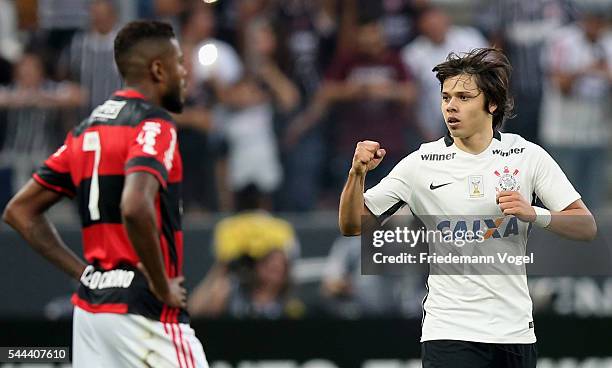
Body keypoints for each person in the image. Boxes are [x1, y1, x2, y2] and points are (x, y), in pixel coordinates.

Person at [338, 48, 597, 368]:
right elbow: (352, 225)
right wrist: (357, 174)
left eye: (463, 96)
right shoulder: (422, 162)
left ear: (491, 103)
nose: (451, 106)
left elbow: (586, 226)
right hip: (448, 330)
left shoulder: (527, 156)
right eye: (446, 97)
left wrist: (534, 213)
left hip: (513, 332)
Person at [2, 20, 209, 368]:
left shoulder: (86, 130)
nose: (185, 73)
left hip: (91, 312)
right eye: (179, 62)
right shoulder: (154, 125)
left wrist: (85, 274)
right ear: (158, 69)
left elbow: (19, 211)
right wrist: (161, 284)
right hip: (143, 311)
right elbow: (134, 206)